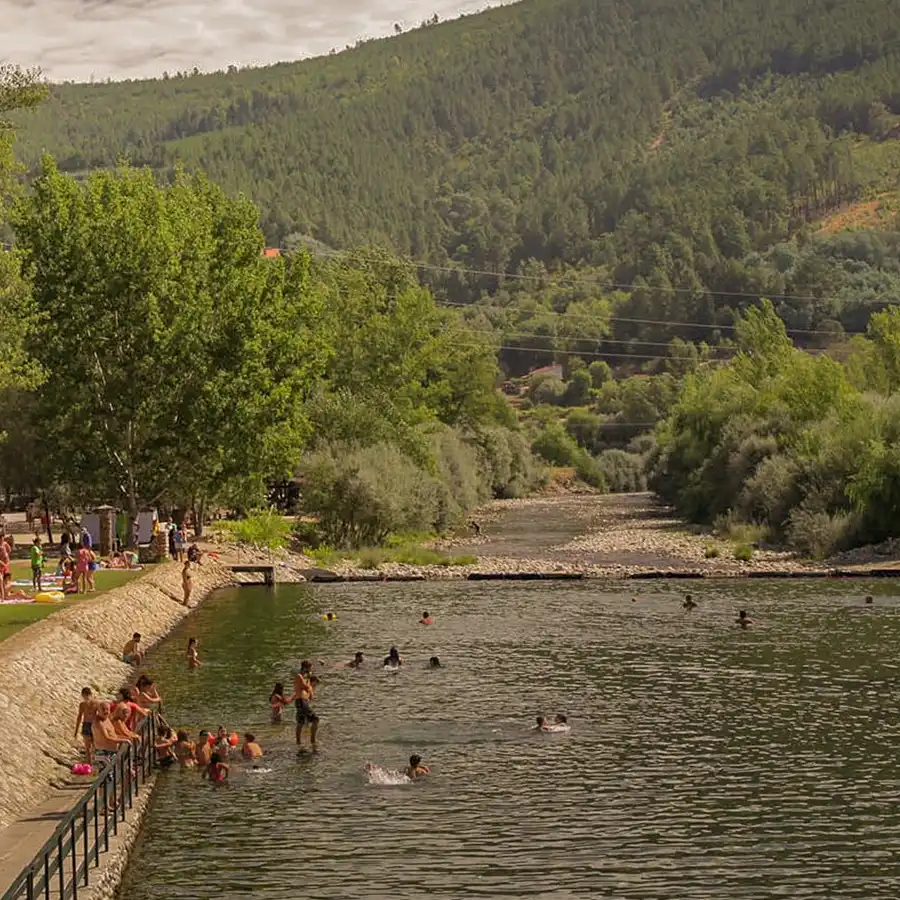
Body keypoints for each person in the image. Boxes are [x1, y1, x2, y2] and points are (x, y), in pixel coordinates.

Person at [292, 662, 320, 750]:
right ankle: (312, 741)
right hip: (301, 701)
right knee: (315, 719)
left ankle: (299, 742)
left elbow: (309, 693)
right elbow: (305, 687)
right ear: (306, 668)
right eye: (310, 668)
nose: (311, 670)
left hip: (303, 701)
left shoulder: (304, 677)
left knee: (301, 721)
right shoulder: (299, 676)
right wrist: (309, 680)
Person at [74, 687, 96, 765]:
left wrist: (76, 731)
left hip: (87, 724)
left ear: (83, 695)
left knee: (88, 747)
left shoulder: (83, 704)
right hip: (93, 724)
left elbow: (79, 717)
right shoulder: (96, 703)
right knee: (94, 746)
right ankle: (94, 763)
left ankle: (90, 764)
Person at [0, 534, 9, 601]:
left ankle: (5, 595)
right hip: (1, 565)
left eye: (3, 539)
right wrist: (3, 563)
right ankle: (2, 596)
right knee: (0, 580)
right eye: (1, 539)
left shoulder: (5, 544)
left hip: (5, 566)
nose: (2, 540)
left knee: (5, 581)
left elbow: (9, 550)